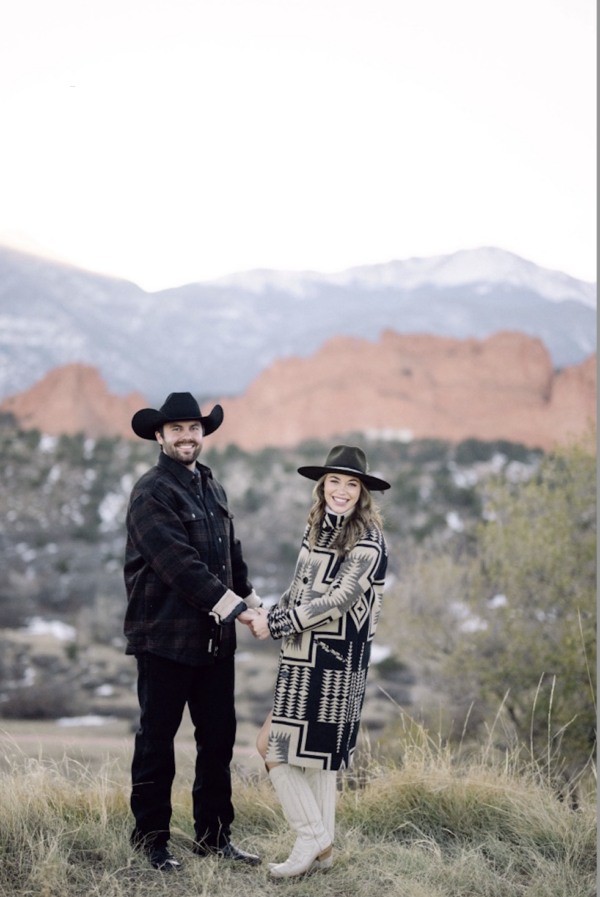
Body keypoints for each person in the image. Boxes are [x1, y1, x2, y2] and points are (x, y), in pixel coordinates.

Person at [123, 392, 262, 872]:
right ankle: (151, 843)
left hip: (215, 642)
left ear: (203, 434)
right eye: (177, 429)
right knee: (157, 743)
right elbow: (178, 566)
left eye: (194, 428)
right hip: (164, 639)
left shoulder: (209, 484)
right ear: (159, 436)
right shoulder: (151, 492)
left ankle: (214, 838)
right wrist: (237, 609)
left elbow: (228, 551)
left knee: (218, 741)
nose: (187, 436)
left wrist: (252, 598)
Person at [247, 444, 390, 878]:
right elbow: (298, 587)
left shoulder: (369, 542)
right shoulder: (316, 530)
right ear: (322, 485)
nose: (341, 491)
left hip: (336, 663)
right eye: (334, 481)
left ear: (362, 491)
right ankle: (324, 853)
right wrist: (269, 616)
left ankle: (310, 836)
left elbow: (338, 600)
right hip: (299, 657)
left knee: (274, 748)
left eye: (351, 483)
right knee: (315, 758)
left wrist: (278, 623)